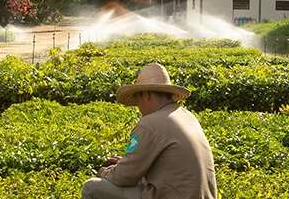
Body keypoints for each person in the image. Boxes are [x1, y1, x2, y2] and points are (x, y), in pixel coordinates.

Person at [81, 62, 217, 199]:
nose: (138, 107)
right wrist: (124, 163)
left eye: (138, 99)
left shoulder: (149, 124)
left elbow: (123, 177)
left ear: (147, 95)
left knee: (91, 188)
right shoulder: (187, 116)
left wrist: (104, 171)